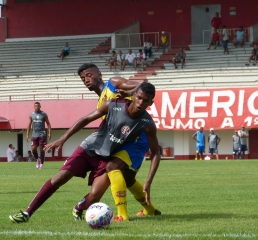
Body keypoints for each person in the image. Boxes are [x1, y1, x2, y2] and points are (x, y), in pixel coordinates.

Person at [9, 82, 161, 223]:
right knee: (60, 178)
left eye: (146, 100)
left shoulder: (147, 124)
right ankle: (27, 213)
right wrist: (62, 139)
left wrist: (148, 182)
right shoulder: (114, 105)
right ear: (134, 95)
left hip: (106, 157)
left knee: (95, 196)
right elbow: (85, 119)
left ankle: (79, 207)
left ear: (151, 103)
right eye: (139, 98)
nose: (141, 103)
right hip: (88, 149)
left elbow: (155, 153)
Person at [72, 63, 161, 221]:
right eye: (82, 78)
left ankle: (122, 215)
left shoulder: (113, 83)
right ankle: (151, 210)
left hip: (136, 139)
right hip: (121, 141)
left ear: (99, 74)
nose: (86, 79)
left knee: (112, 166)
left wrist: (126, 92)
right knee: (127, 179)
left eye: (89, 75)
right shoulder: (102, 102)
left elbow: (142, 86)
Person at [26, 102, 51, 169]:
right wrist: (27, 134)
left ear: (40, 106)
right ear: (33, 107)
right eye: (35, 106)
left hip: (42, 133)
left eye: (38, 106)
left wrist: (49, 133)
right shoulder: (31, 114)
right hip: (34, 134)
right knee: (33, 149)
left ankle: (41, 164)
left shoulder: (44, 114)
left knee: (42, 149)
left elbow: (48, 124)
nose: (37, 107)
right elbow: (29, 124)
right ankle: (37, 159)